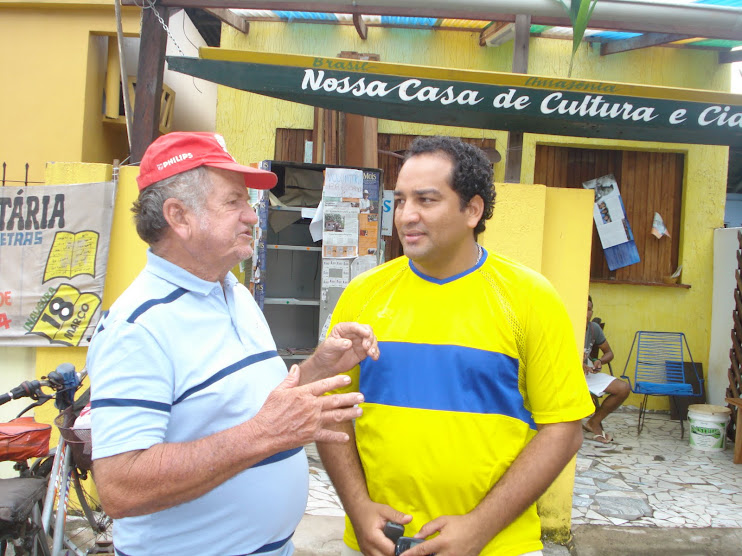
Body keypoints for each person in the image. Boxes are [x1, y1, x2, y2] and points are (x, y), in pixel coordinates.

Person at [86, 132, 380, 555]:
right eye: (233, 202)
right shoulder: (138, 327)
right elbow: (119, 487)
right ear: (179, 217)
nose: (253, 216)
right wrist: (262, 435)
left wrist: (321, 364)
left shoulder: (233, 293)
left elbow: (260, 407)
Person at [317, 136, 595, 556]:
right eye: (400, 200)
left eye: (426, 200)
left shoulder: (529, 298)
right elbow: (328, 409)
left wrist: (479, 528)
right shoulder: (363, 295)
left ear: (473, 209)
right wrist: (357, 507)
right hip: (379, 542)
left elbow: (564, 430)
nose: (406, 216)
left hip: (497, 545)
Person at [582, 295, 631, 444]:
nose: (587, 312)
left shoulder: (593, 328)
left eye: (589, 309)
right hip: (566, 375)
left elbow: (609, 353)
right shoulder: (567, 325)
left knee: (623, 388)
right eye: (584, 308)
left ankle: (593, 422)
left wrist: (599, 361)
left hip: (586, 374)